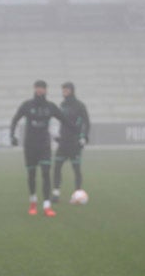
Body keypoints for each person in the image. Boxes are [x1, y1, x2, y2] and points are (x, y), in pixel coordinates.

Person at [10, 80, 65, 216]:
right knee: (32, 175)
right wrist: (13, 136)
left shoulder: (50, 107)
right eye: (38, 88)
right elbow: (15, 119)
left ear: (46, 90)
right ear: (34, 89)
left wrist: (65, 135)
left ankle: (47, 205)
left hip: (44, 145)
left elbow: (64, 120)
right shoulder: (27, 105)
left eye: (42, 88)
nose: (40, 90)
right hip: (30, 145)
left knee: (46, 173)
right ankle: (33, 202)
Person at [52, 81, 91, 204]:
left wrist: (83, 137)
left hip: (75, 142)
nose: (64, 92)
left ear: (72, 91)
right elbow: (61, 122)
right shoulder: (62, 105)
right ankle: (56, 194)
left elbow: (86, 122)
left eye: (67, 90)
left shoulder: (79, 105)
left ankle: (78, 194)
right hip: (63, 142)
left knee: (76, 169)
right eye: (63, 90)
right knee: (57, 167)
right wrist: (58, 135)